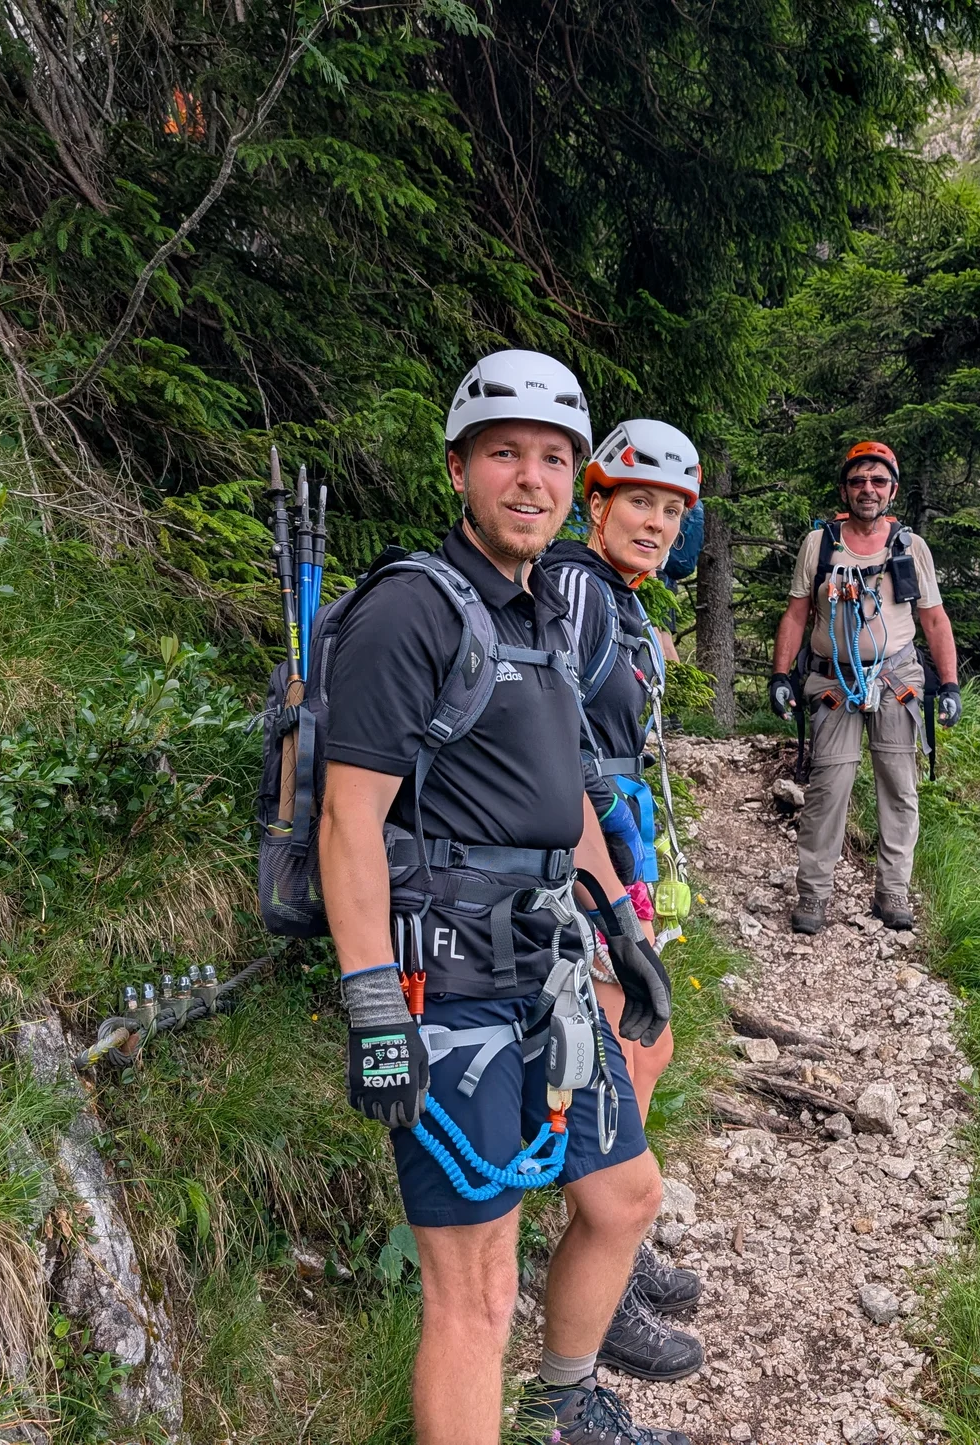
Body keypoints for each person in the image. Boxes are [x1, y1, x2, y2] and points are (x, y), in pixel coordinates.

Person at [318, 350, 691, 1445]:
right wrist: (373, 1002)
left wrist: (624, 925)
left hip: (549, 967)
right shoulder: (412, 612)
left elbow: (566, 790)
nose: (531, 478)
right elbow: (350, 821)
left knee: (624, 1195)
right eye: (505, 454)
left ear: (575, 477)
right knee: (474, 1287)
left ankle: (560, 1405)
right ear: (458, 470)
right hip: (448, 987)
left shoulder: (541, 616)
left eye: (552, 457)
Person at [541, 419, 707, 1383]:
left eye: (671, 509)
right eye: (638, 500)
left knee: (648, 1043)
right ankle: (603, 1269)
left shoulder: (616, 595)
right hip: (585, 844)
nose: (654, 521)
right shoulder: (574, 586)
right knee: (619, 1047)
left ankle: (619, 1249)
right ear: (595, 503)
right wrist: (607, 891)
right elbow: (551, 730)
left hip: (621, 834)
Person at [767, 440, 961, 935]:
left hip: (896, 677)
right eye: (858, 482)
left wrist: (951, 683)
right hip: (834, 679)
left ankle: (893, 891)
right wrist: (781, 675)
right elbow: (795, 615)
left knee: (899, 786)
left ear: (892, 489)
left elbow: (934, 621)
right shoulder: (820, 545)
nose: (867, 490)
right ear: (845, 490)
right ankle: (813, 894)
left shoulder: (911, 548)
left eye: (877, 481)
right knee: (828, 788)